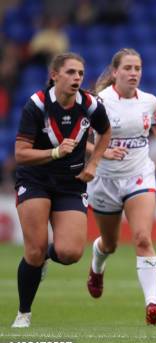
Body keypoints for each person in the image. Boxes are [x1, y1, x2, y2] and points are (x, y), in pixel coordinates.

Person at [11, 52, 111, 328]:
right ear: (54, 75)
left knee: (70, 253)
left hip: (71, 182)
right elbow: (20, 153)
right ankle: (23, 313)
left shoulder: (89, 104)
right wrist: (54, 152)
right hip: (36, 179)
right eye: (70, 72)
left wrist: (94, 163)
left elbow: (106, 131)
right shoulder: (37, 106)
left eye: (80, 73)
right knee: (34, 250)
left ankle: (44, 257)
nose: (77, 77)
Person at [85, 48, 156, 326]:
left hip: (139, 175)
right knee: (110, 243)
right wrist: (102, 152)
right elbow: (78, 139)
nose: (133, 73)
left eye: (137, 68)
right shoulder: (98, 102)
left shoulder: (149, 101)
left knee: (142, 238)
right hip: (104, 180)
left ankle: (152, 303)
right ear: (115, 72)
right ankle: (97, 267)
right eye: (127, 68)